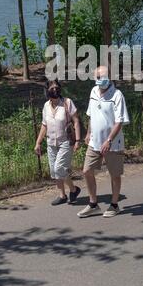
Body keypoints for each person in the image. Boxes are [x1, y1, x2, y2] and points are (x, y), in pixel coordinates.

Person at [77, 66, 130, 218]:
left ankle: (114, 205)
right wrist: (88, 133)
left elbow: (119, 121)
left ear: (110, 77)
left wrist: (108, 140)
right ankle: (93, 204)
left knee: (114, 174)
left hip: (113, 143)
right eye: (97, 77)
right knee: (87, 170)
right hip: (94, 142)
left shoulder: (117, 95)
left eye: (102, 77)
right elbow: (91, 114)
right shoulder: (93, 91)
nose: (99, 80)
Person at [35, 79, 81, 205]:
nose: (55, 89)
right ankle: (62, 195)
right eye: (52, 88)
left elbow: (76, 121)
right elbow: (44, 125)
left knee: (59, 168)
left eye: (57, 87)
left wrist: (77, 140)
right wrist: (38, 142)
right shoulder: (46, 106)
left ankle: (73, 189)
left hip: (65, 142)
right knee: (54, 171)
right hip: (51, 143)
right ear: (47, 91)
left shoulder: (67, 103)